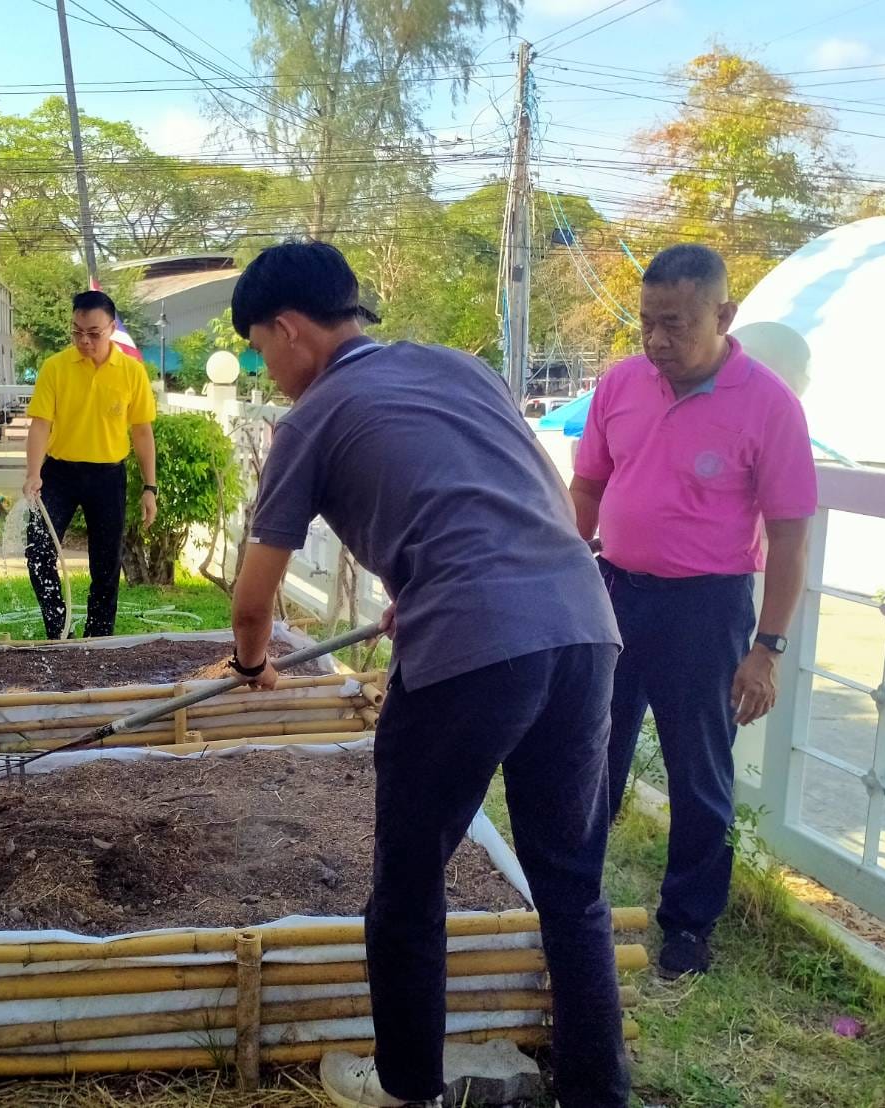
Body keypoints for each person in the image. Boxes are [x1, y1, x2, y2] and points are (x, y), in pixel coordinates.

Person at [227, 243, 630, 1108]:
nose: (269, 368)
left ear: (289, 329)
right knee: (569, 880)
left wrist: (251, 665)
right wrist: (431, 586)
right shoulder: (459, 367)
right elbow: (544, 506)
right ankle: (597, 1093)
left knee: (408, 884)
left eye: (261, 348)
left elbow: (251, 601)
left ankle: (409, 1088)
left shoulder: (311, 419)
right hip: (581, 623)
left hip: (473, 647)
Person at [570, 244, 816, 979]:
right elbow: (586, 489)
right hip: (611, 592)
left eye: (673, 324)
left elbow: (790, 535)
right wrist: (563, 576)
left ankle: (687, 925)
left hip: (705, 609)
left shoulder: (768, 403)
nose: (655, 341)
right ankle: (570, 896)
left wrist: (764, 648)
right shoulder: (619, 384)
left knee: (697, 770)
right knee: (588, 754)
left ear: (723, 315)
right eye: (645, 323)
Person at [23, 290, 157, 640]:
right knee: (37, 550)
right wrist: (33, 473)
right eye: (77, 331)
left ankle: (98, 637)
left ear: (111, 328)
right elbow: (40, 424)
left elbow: (142, 432)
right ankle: (58, 629)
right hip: (58, 473)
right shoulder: (55, 368)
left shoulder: (131, 372)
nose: (84, 340)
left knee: (106, 564)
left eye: (93, 333)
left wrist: (149, 487)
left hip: (108, 476)